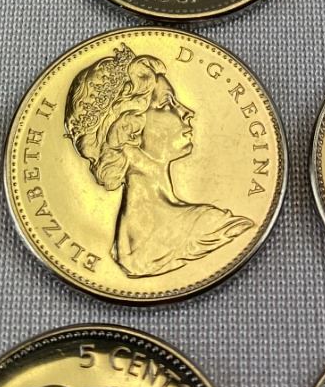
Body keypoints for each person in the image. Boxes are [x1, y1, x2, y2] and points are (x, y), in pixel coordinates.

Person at [64, 42, 251, 277]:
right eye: (166, 104)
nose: (187, 112)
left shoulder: (210, 225)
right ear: (129, 131)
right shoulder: (209, 227)